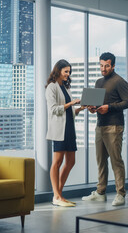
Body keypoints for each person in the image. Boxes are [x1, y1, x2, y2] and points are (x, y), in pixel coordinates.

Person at [81, 52, 128, 206]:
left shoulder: (120, 82)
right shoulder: (98, 82)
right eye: (101, 65)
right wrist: (93, 108)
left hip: (114, 126)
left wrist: (109, 107)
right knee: (101, 161)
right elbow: (98, 104)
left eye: (107, 66)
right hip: (100, 125)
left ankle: (120, 194)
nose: (103, 69)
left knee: (116, 161)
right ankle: (100, 192)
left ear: (113, 66)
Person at [45, 59, 86, 207]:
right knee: (57, 162)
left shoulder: (65, 88)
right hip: (59, 130)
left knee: (71, 161)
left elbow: (69, 112)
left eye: (69, 72)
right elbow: (54, 109)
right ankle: (56, 196)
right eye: (66, 71)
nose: (68, 74)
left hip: (69, 128)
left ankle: (59, 195)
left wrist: (80, 108)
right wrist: (71, 103)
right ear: (58, 71)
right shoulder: (51, 87)